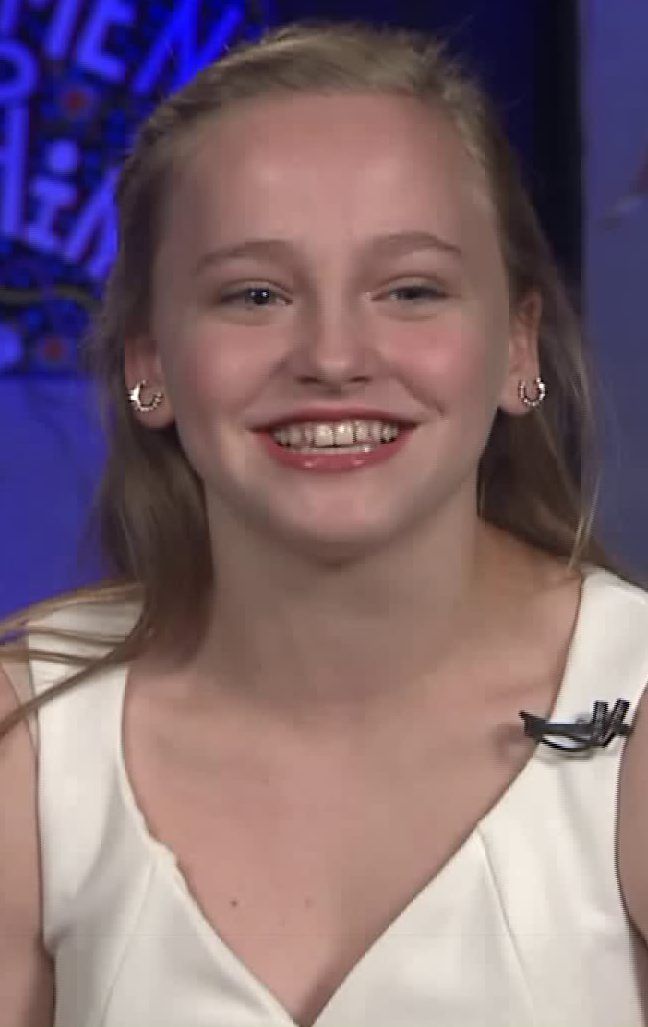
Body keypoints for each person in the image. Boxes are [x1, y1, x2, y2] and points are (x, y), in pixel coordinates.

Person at [0, 19, 647, 1027]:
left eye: (411, 290)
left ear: (519, 348)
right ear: (149, 363)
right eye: (255, 294)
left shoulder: (633, 708)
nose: (335, 356)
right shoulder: (31, 736)